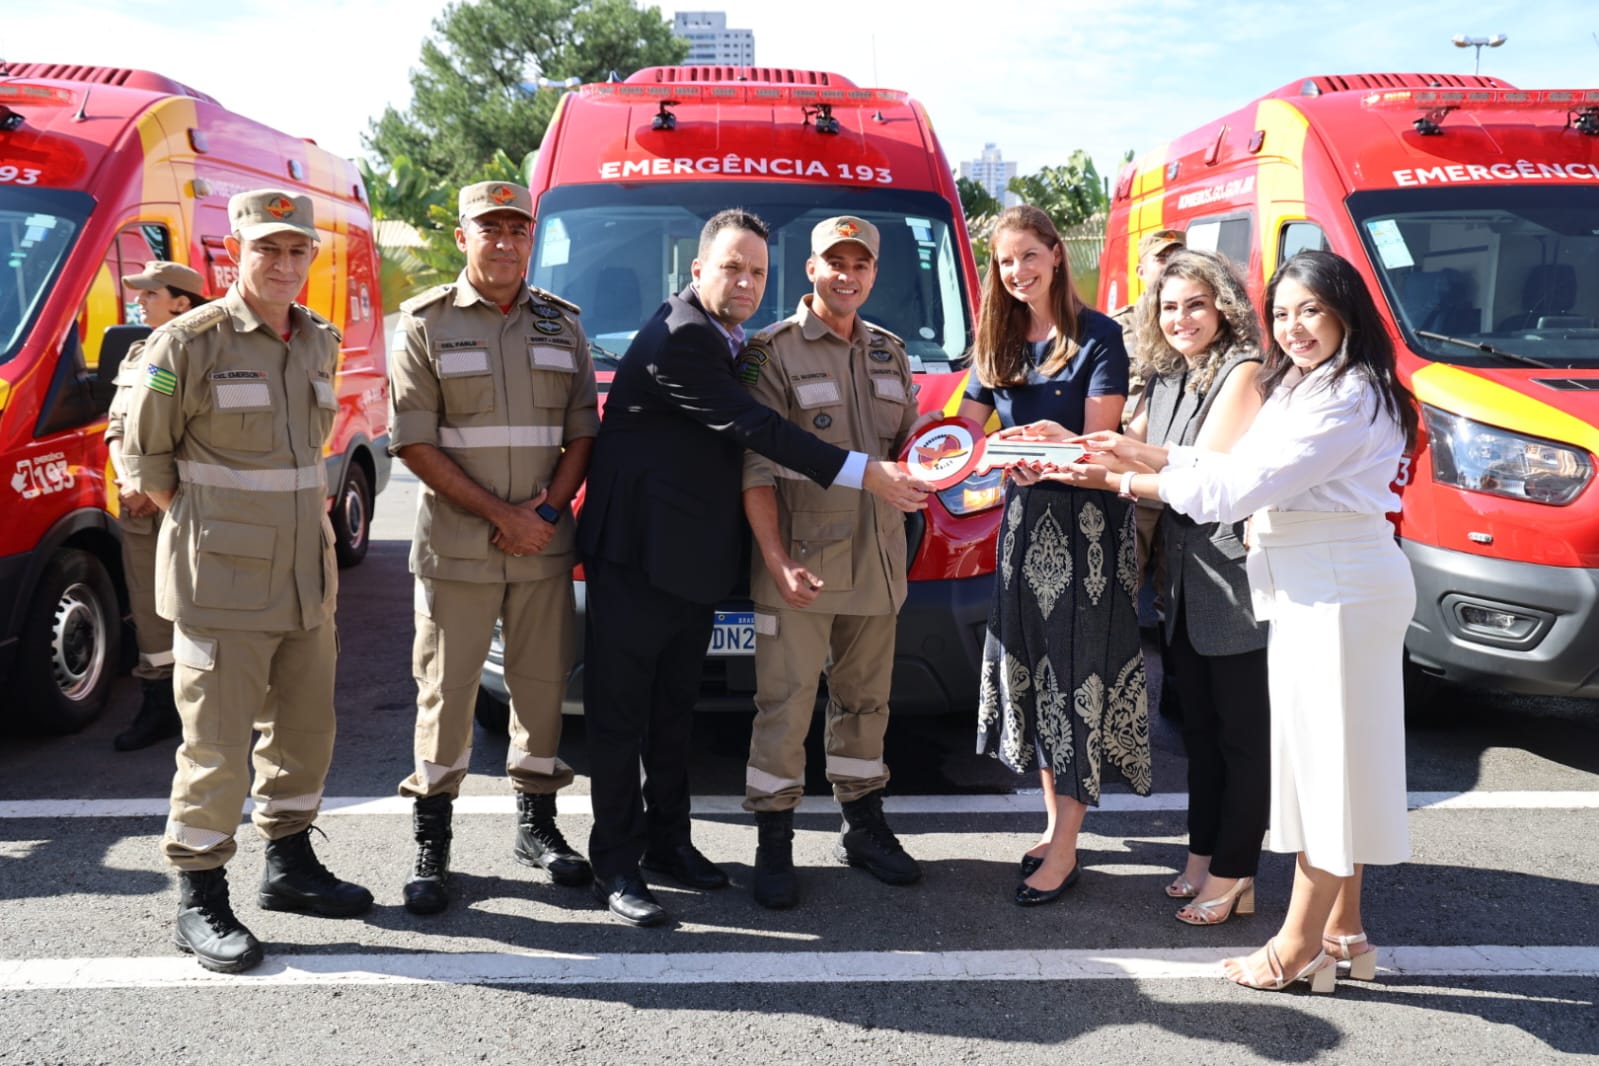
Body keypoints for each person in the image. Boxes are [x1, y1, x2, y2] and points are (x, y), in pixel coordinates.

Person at [1047, 249, 1418, 992]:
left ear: (1344, 309)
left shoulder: (1345, 396)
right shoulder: (1311, 385)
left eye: (1309, 310)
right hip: (1317, 582)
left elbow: (1236, 488)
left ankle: (1296, 948)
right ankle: (1343, 933)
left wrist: (1113, 475)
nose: (1293, 327)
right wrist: (1133, 448)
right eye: (1281, 313)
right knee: (1341, 764)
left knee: (1328, 773)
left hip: (1338, 586)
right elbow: (1229, 463)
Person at [577, 208, 929, 927]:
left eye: (754, 271)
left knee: (673, 713)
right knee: (618, 720)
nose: (744, 281)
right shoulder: (681, 339)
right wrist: (865, 474)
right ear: (696, 269)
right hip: (634, 559)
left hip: (691, 561)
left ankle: (668, 844)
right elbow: (757, 430)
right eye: (731, 267)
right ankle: (615, 860)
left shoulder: (728, 338)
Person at [123, 190, 372, 974]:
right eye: (267, 248)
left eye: (297, 250)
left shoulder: (316, 342)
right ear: (233, 250)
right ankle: (199, 896)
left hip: (306, 571)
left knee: (304, 731)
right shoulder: (184, 343)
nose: (284, 263)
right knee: (216, 744)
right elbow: (144, 459)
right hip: (221, 576)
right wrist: (210, 526)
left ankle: (289, 866)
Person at [387, 181, 599, 915]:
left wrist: (539, 512)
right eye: (489, 228)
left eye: (517, 229)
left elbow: (583, 433)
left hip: (541, 543)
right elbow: (412, 440)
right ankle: (432, 842)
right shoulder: (424, 323)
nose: (505, 241)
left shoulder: (561, 324)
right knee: (446, 696)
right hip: (459, 547)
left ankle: (537, 829)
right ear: (462, 237)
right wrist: (502, 515)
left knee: (541, 691)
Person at [959, 204, 1151, 907]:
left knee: (1073, 678)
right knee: (1038, 679)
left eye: (1028, 256)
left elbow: (1097, 450)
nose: (1016, 272)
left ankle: (1065, 847)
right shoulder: (998, 337)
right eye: (1005, 262)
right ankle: (1052, 824)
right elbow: (963, 432)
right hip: (1020, 530)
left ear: (1055, 254)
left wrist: (1044, 441)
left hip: (1085, 534)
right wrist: (931, 457)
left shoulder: (1098, 337)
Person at [739, 217, 923, 909]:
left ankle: (863, 826)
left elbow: (908, 444)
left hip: (878, 558)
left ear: (873, 273)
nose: (848, 275)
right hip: (803, 566)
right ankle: (774, 841)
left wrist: (936, 463)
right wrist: (777, 559)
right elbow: (754, 466)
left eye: (860, 264)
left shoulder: (890, 352)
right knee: (783, 705)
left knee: (866, 703)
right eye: (833, 262)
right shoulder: (771, 352)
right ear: (809, 268)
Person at [1128, 250, 1269, 925]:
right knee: (1202, 736)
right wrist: (1067, 447)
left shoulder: (1242, 371)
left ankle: (1237, 873)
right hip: (1181, 584)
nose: (1180, 318)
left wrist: (1112, 469)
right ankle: (1199, 860)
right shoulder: (1169, 377)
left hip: (1234, 583)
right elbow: (1131, 442)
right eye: (1168, 305)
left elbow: (1200, 476)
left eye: (1194, 304)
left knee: (1242, 740)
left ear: (1222, 306)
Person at [105, 261, 209, 751]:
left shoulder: (208, 349)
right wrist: (131, 482)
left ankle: (218, 711)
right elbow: (117, 428)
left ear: (181, 302)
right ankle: (158, 707)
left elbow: (204, 434)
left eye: (150, 294)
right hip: (139, 507)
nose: (139, 301)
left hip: (187, 505)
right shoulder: (137, 353)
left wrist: (151, 487)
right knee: (149, 612)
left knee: (207, 609)